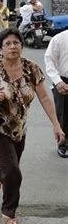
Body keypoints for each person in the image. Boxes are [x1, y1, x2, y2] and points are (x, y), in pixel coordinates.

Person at [0, 28, 65, 224]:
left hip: (19, 128)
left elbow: (45, 98)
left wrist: (56, 125)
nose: (13, 46)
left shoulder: (31, 68)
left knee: (7, 167)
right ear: (0, 49)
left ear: (22, 46)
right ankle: (9, 212)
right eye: (8, 44)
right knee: (13, 170)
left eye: (16, 43)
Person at [44, 30, 68, 158]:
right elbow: (49, 60)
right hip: (63, 80)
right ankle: (63, 144)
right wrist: (57, 81)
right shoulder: (59, 39)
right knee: (63, 114)